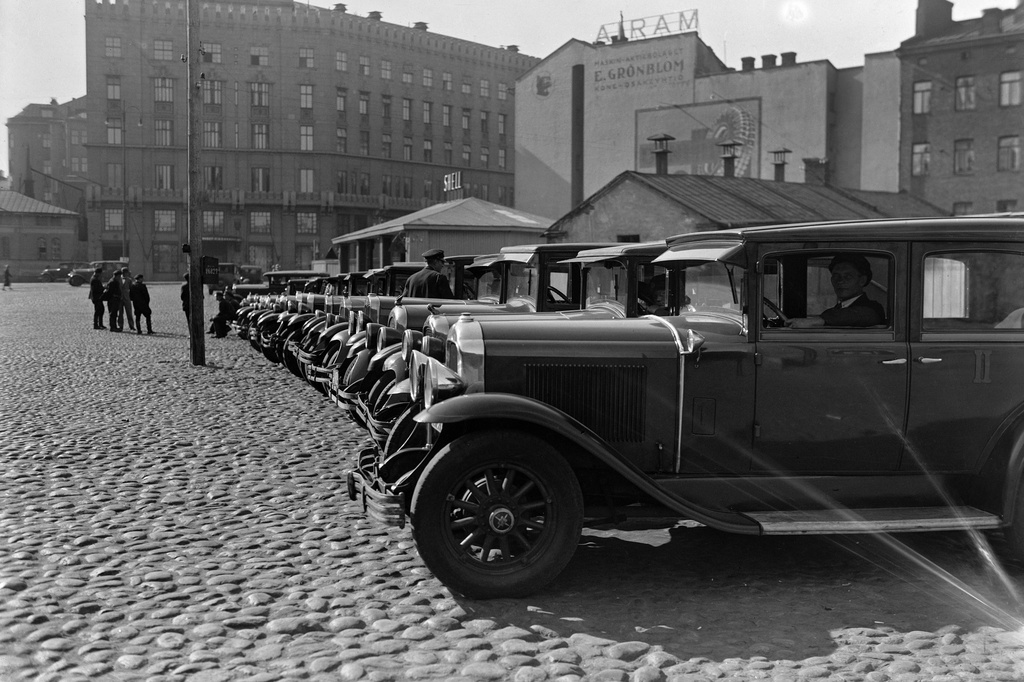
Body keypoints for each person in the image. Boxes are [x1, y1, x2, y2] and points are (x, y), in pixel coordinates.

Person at [787, 254, 886, 328]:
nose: (840, 281)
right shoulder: (831, 312)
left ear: (862, 280)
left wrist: (816, 321)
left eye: (848, 276)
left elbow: (858, 315)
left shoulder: (872, 309)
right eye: (836, 276)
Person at [118, 267, 135, 332]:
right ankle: (120, 325)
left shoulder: (129, 280)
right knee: (120, 313)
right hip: (120, 298)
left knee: (129, 312)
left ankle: (131, 325)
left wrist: (131, 297)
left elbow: (131, 289)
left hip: (127, 298)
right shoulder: (118, 279)